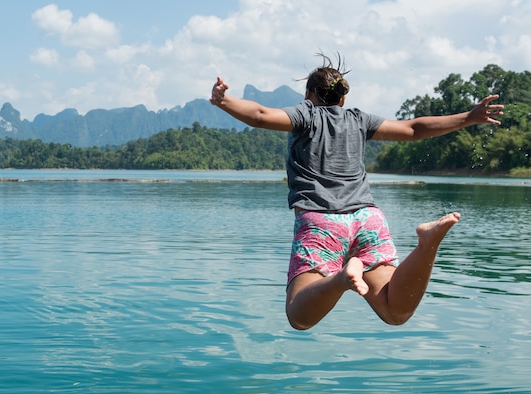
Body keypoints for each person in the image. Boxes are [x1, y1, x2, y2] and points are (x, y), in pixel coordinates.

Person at [209, 53, 504, 331]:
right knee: (395, 311)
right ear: (343, 98)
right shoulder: (358, 119)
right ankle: (426, 244)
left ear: (309, 95)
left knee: (299, 316)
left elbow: (260, 115)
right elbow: (414, 129)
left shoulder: (307, 115)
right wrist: (469, 116)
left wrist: (225, 102)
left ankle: (341, 279)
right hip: (368, 220)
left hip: (322, 222)